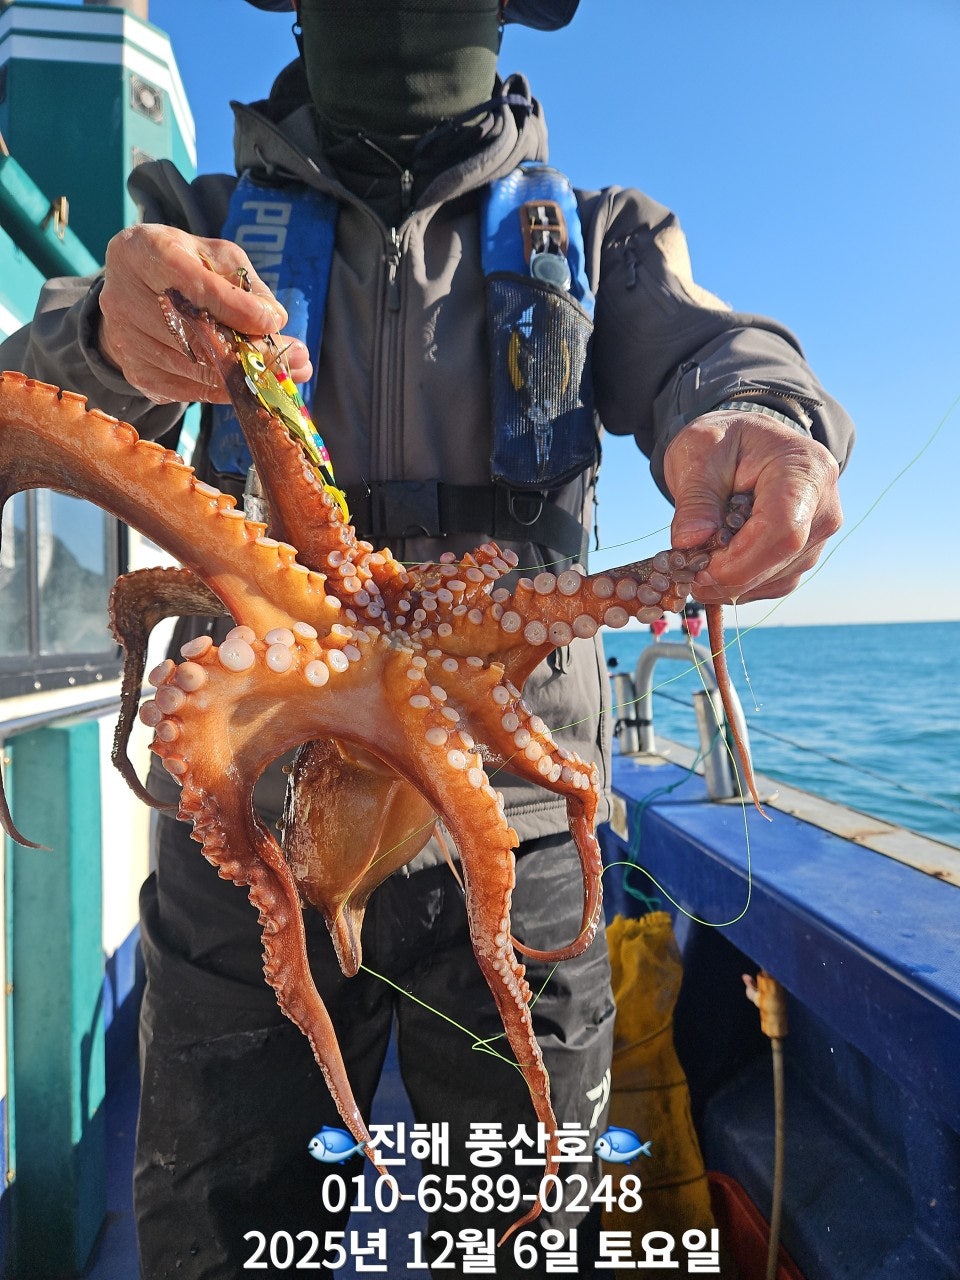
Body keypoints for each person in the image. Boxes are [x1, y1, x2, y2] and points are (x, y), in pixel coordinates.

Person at [0, 1, 853, 1275]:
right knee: (213, 1222)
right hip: (253, 785)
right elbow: (46, 378)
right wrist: (108, 330)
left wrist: (761, 416)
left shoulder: (604, 235)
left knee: (520, 1223)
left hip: (508, 806)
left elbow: (716, 349)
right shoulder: (202, 213)